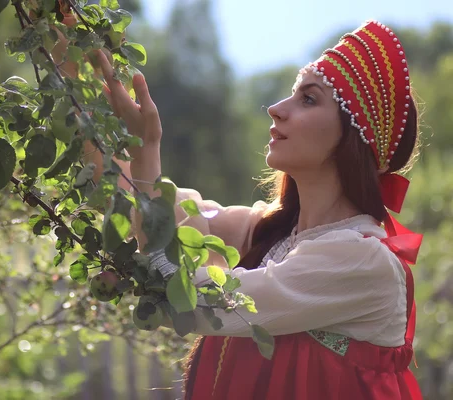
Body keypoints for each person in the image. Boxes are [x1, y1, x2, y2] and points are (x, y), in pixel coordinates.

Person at [94, 19, 424, 400]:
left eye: (309, 99)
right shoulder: (273, 234)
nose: (276, 109)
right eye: (292, 95)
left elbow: (190, 299)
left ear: (354, 137)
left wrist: (147, 150)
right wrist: (73, 73)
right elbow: (149, 202)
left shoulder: (364, 262)